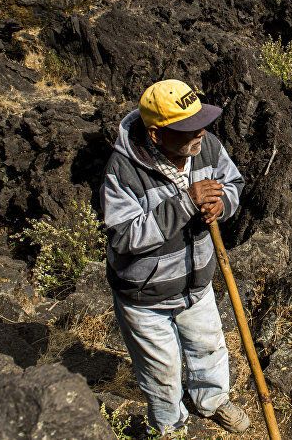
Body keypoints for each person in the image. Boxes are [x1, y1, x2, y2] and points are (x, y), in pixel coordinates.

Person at [100, 79, 250, 435]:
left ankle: (211, 401)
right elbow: (124, 236)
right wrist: (184, 204)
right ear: (156, 134)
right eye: (186, 128)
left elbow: (233, 183)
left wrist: (222, 203)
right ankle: (170, 428)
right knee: (162, 372)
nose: (200, 132)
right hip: (145, 298)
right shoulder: (122, 171)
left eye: (201, 121)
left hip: (196, 284)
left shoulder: (207, 147)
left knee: (209, 348)